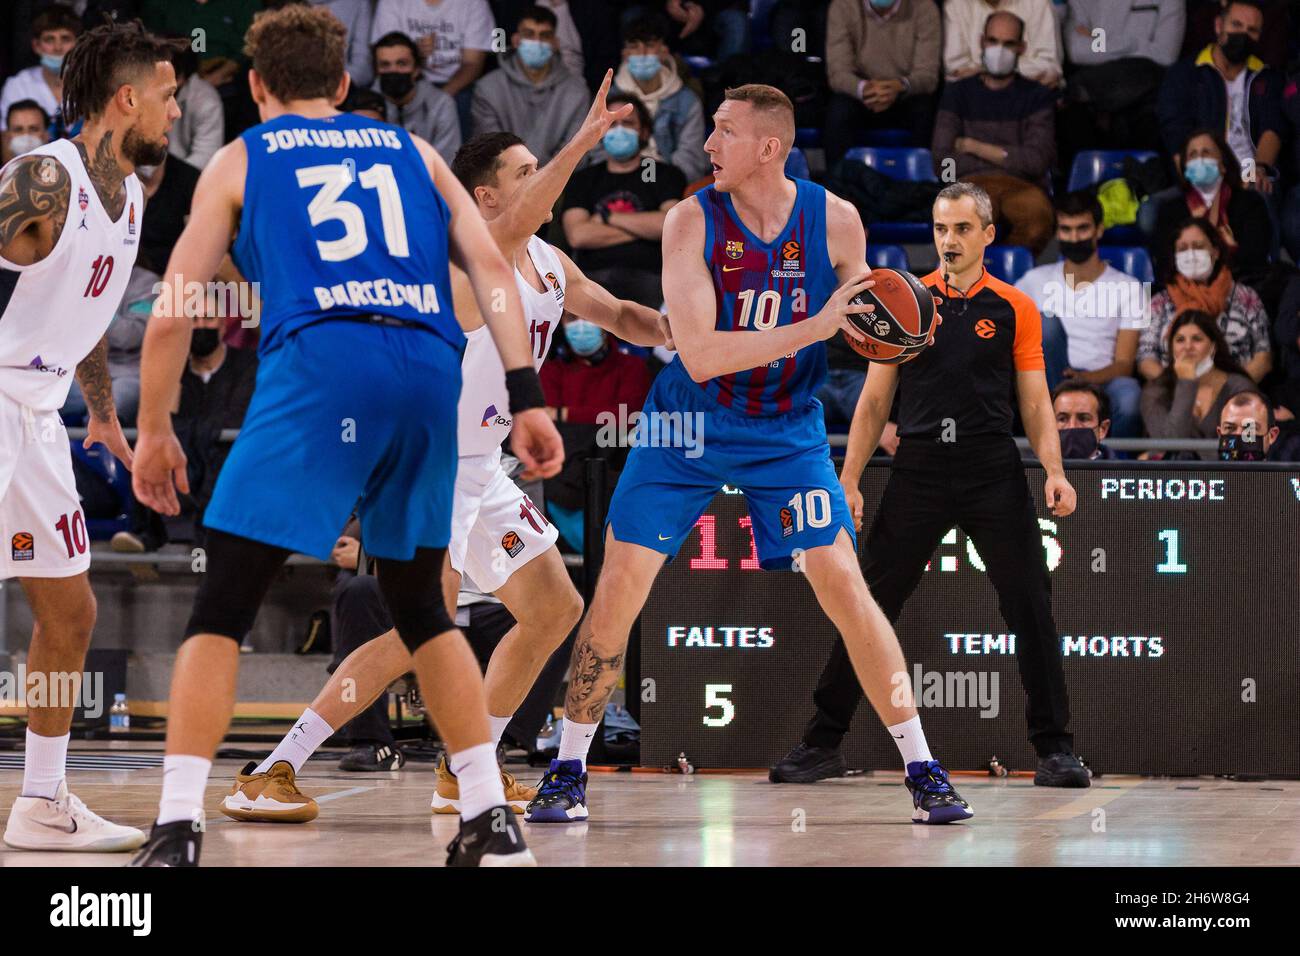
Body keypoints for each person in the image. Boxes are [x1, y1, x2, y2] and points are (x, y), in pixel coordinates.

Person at [127, 5, 562, 868]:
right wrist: (527, 393)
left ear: (254, 87)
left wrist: (152, 429)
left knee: (222, 607)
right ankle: (488, 820)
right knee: (424, 606)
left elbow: (176, 303)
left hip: (324, 364)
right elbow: (493, 268)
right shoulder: (415, 150)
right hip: (427, 369)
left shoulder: (242, 155)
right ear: (342, 82)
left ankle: (178, 827)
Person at [213, 74, 666, 824]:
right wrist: (582, 142)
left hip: (485, 464)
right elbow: (533, 213)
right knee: (413, 630)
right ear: (485, 196)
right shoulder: (463, 256)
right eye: (523, 174)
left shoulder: (549, 264)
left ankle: (466, 770)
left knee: (554, 608)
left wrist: (693, 331)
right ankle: (272, 768)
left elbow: (618, 314)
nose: (537, 184)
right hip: (428, 461)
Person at [529, 84, 974, 827]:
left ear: (770, 148)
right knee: (617, 591)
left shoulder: (835, 219)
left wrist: (884, 338)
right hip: (686, 426)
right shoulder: (686, 220)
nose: (707, 146)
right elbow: (699, 355)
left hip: (786, 433)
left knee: (845, 587)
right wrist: (819, 324)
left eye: (724, 132)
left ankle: (924, 767)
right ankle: (568, 767)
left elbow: (867, 325)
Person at [773, 181, 1090, 791]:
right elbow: (872, 402)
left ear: (988, 236)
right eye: (941, 228)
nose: (949, 240)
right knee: (867, 607)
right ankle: (822, 741)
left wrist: (1053, 470)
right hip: (917, 469)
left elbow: (1034, 401)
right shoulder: (902, 300)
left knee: (1030, 605)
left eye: (963, 229)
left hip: (992, 469)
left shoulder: (1014, 308)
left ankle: (1055, 750)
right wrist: (850, 478)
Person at [0, 18, 183, 854]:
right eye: (170, 96)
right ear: (127, 98)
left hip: (40, 414)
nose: (177, 113)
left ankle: (42, 800)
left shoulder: (133, 197)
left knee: (70, 609)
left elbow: (87, 319)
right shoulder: (42, 179)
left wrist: (103, 414)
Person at [1014, 191, 1146, 437]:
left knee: (1129, 396)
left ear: (1099, 230)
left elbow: (1124, 364)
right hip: (1047, 379)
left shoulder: (1129, 287)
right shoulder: (1033, 281)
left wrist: (1085, 379)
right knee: (1045, 323)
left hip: (1101, 380)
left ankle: (1110, 466)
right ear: (1057, 233)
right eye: (1066, 229)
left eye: (1082, 229)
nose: (1074, 237)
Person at [931, 10, 1056, 255]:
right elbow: (943, 162)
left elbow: (1037, 161)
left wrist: (972, 146)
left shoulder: (1037, 96)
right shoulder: (957, 93)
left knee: (1036, 223)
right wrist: (1007, 156)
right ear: (981, 42)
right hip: (968, 184)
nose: (999, 50)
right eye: (993, 41)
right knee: (963, 227)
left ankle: (1006, 281)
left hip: (1021, 186)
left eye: (1009, 43)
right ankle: (967, 286)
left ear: (1022, 47)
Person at [561, 91, 685, 308]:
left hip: (651, 278)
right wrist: (644, 230)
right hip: (591, 278)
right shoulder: (584, 178)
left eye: (628, 123)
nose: (619, 131)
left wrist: (607, 217)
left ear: (644, 132)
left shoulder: (657, 172)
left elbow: (670, 225)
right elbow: (578, 236)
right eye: (612, 124)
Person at [1156, 1, 1283, 200]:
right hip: (1199, 175)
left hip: (1249, 177)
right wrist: (1199, 186)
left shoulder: (1266, 77)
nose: (1243, 34)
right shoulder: (1184, 74)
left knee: (1257, 199)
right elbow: (1176, 134)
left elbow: (1273, 128)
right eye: (1236, 25)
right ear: (1218, 26)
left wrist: (1257, 171)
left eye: (1252, 30)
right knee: (1150, 214)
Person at [1138, 217, 1272, 382]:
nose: (1191, 254)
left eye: (1198, 246)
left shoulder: (1247, 297)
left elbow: (1263, 357)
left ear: (1215, 252)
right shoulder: (1158, 302)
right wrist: (1177, 389)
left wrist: (1231, 390)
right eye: (1182, 249)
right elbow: (1145, 359)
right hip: (1174, 393)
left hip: (1235, 393)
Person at [1147, 129, 1271, 287]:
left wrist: (1226, 254)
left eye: (1206, 153)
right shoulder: (1170, 210)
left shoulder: (1249, 203)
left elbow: (1256, 256)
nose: (1199, 159)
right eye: (1193, 155)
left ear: (1223, 165)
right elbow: (1163, 260)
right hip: (1183, 291)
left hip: (1238, 288)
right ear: (1185, 169)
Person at [824, 0, 941, 167]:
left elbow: (928, 75)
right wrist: (866, 89)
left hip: (904, 93)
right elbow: (838, 73)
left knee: (926, 110)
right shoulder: (843, 6)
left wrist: (898, 86)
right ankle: (837, 185)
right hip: (862, 94)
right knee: (838, 111)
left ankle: (922, 187)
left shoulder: (924, 8)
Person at [470, 5, 591, 166]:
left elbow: (577, 151)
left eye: (544, 35)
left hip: (561, 184)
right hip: (505, 183)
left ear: (555, 43)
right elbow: (490, 151)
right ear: (515, 40)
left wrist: (542, 181)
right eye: (529, 34)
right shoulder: (488, 88)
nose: (537, 41)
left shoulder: (577, 91)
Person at [1140, 309, 1256, 458]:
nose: (1188, 347)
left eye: (1197, 339)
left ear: (1213, 347)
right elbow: (1169, 446)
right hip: (1174, 476)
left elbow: (1247, 445)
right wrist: (1187, 383)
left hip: (1228, 474)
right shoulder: (1155, 391)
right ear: (1171, 348)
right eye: (1180, 340)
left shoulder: (1240, 388)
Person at [370, 0, 495, 133]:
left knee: (463, 102)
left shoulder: (474, 3)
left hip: (456, 84)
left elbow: (473, 64)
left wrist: (439, 98)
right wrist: (416, 53)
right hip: (409, 77)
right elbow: (386, 55)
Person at [610, 14, 708, 182]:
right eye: (634, 47)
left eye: (649, 46)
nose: (641, 54)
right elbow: (596, 152)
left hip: (668, 183)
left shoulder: (687, 101)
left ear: (664, 51)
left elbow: (691, 160)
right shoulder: (609, 98)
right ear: (625, 54)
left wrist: (654, 183)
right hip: (615, 180)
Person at [371, 30, 461, 162]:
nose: (393, 71)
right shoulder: (366, 108)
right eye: (385, 65)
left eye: (402, 64)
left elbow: (447, 162)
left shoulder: (441, 104)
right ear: (376, 70)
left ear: (416, 69)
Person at [0, 4, 80, 135]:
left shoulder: (93, 85)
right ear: (36, 46)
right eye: (49, 39)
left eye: (65, 39)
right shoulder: (17, 86)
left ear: (77, 44)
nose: (58, 47)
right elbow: (7, 144)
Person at [942, 0, 1061, 86]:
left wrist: (982, 71)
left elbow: (1049, 66)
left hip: (1029, 94)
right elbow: (956, 70)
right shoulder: (955, 5)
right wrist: (1025, 71)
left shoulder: (1038, 3)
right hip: (973, 97)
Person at [167, 43, 224, 170]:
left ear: (180, 76)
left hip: (184, 179)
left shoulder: (207, 101)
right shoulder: (140, 93)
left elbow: (205, 158)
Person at [1217, 388, 1300, 461]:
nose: (1239, 435)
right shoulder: (1206, 476)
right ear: (1220, 434)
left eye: (1250, 428)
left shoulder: (1284, 478)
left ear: (1272, 435)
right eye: (1230, 428)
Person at [1052, 380, 1116, 460]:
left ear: (1103, 429)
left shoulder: (1122, 472)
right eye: (1062, 419)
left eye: (1083, 419)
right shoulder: (1033, 470)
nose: (1072, 426)